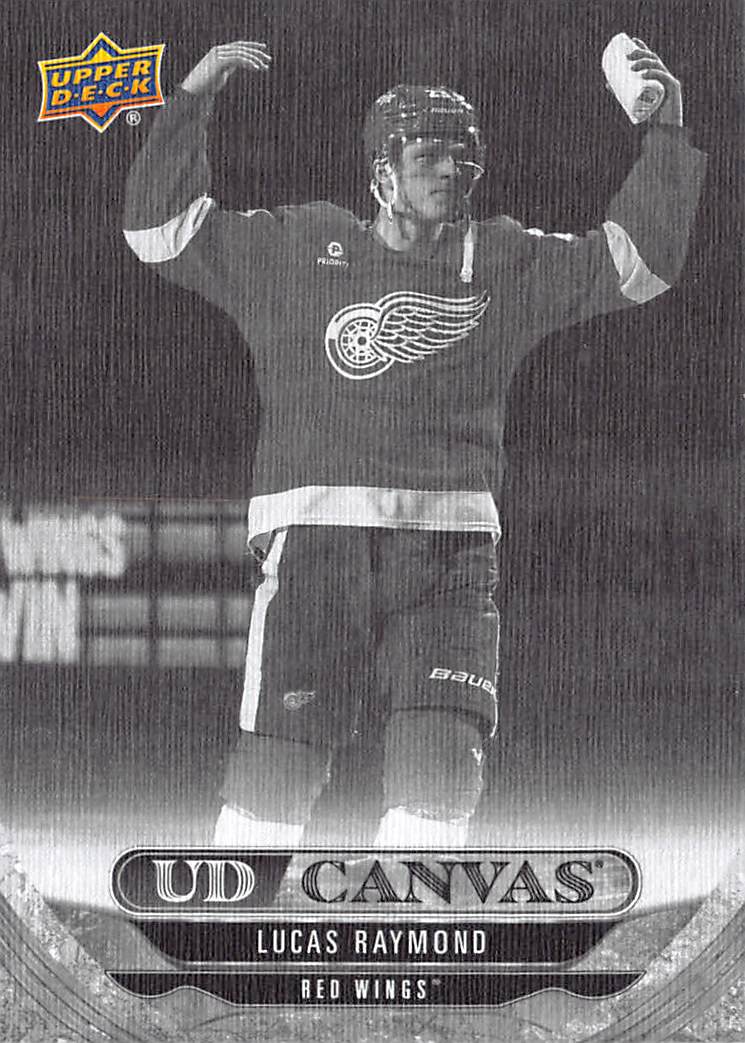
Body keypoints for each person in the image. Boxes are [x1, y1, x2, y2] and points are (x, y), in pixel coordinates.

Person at [123, 38, 706, 849]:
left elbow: (638, 264)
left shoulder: (498, 257)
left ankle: (414, 912)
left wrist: (666, 132)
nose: (449, 171)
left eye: (461, 156)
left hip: (449, 553)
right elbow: (158, 229)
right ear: (381, 172)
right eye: (427, 154)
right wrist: (192, 98)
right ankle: (238, 904)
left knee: (442, 760)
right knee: (281, 755)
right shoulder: (297, 246)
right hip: (318, 542)